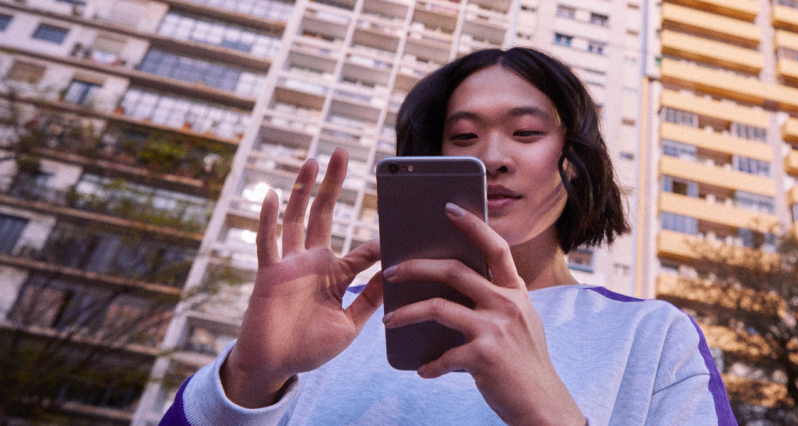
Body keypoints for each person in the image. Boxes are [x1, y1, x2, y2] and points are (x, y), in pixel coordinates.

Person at [159, 48, 737, 426]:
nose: (491, 158)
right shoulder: (335, 329)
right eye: (462, 137)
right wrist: (249, 377)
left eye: (526, 131)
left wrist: (547, 411)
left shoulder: (652, 336)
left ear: (578, 159)